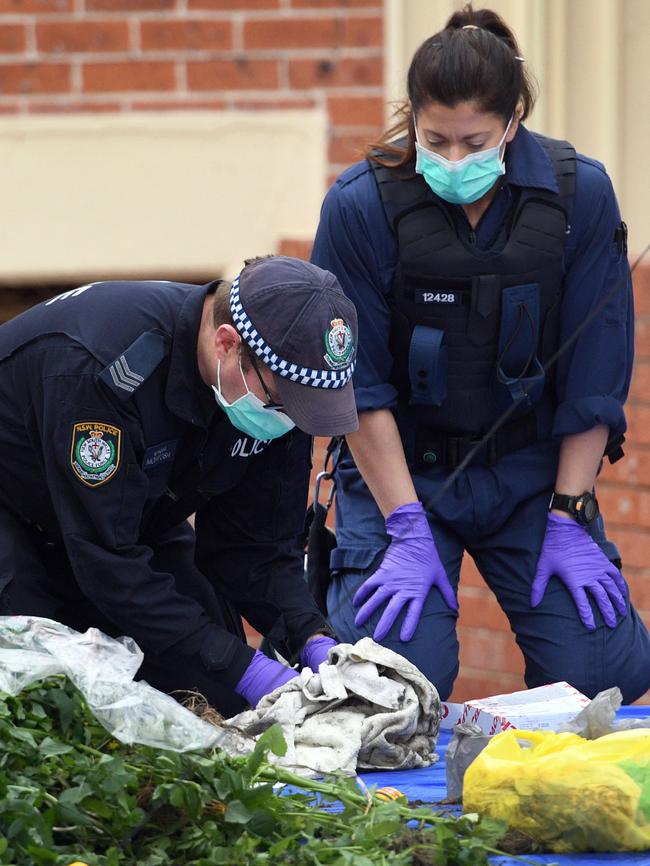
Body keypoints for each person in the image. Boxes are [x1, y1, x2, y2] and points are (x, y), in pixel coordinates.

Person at [310, 4, 650, 704]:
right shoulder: (359, 205)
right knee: (392, 681)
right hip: (400, 472)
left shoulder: (577, 194)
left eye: (475, 141)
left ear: (513, 120)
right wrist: (404, 528)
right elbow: (357, 386)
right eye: (435, 140)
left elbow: (595, 376)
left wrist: (569, 511)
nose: (455, 160)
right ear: (411, 115)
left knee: (604, 674)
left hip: (530, 475)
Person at [0, 255, 355, 716]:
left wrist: (312, 638)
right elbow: (108, 563)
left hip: (132, 521)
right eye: (285, 403)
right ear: (227, 344)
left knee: (220, 698)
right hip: (19, 514)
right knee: (47, 701)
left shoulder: (277, 387)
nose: (292, 421)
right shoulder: (105, 368)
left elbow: (255, 549)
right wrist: (248, 669)